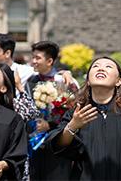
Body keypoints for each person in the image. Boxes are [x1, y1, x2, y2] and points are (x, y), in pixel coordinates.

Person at [25, 41, 77, 181]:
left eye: (37, 58)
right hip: (34, 142)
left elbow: (72, 113)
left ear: (50, 61)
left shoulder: (63, 81)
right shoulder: (30, 81)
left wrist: (51, 125)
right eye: (33, 57)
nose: (33, 61)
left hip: (58, 143)